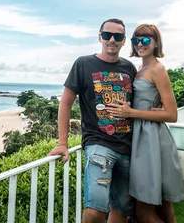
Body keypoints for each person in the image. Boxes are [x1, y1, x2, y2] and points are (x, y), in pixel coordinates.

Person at [49, 18, 137, 223]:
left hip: (128, 146)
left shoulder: (129, 68)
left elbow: (138, 102)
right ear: (100, 37)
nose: (112, 40)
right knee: (95, 210)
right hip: (99, 144)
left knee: (122, 209)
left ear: (124, 40)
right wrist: (62, 143)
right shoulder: (83, 64)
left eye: (118, 36)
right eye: (107, 35)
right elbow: (65, 103)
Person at [106, 24, 184, 223]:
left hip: (152, 140)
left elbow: (172, 114)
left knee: (143, 212)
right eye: (136, 40)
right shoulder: (139, 69)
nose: (140, 44)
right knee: (164, 205)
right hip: (142, 137)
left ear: (156, 42)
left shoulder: (158, 69)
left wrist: (131, 112)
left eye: (146, 40)